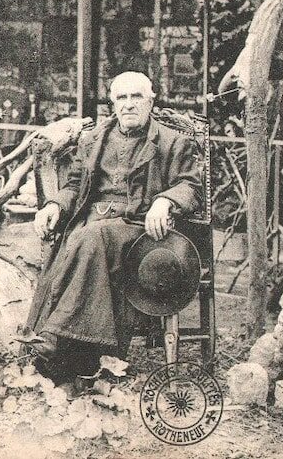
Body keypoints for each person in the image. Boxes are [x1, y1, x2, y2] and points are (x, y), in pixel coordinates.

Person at [23, 71, 202, 380]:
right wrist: (54, 205)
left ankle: (56, 340)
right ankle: (78, 356)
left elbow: (190, 186)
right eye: (122, 98)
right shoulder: (93, 139)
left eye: (136, 97)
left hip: (138, 228)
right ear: (112, 103)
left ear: (150, 101)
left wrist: (164, 201)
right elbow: (74, 185)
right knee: (77, 239)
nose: (129, 105)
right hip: (91, 221)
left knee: (89, 238)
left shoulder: (174, 142)